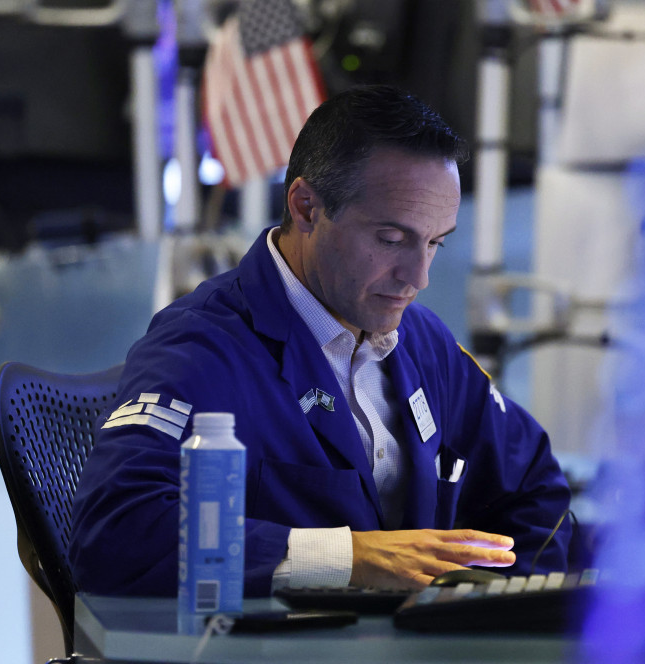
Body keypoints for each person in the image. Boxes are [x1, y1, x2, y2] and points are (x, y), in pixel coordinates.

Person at [69, 84, 577, 597]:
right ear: (307, 207)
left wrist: (498, 616)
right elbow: (113, 533)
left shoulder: (423, 342)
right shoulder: (201, 349)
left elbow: (534, 485)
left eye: (435, 243)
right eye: (391, 240)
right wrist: (349, 557)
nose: (417, 277)